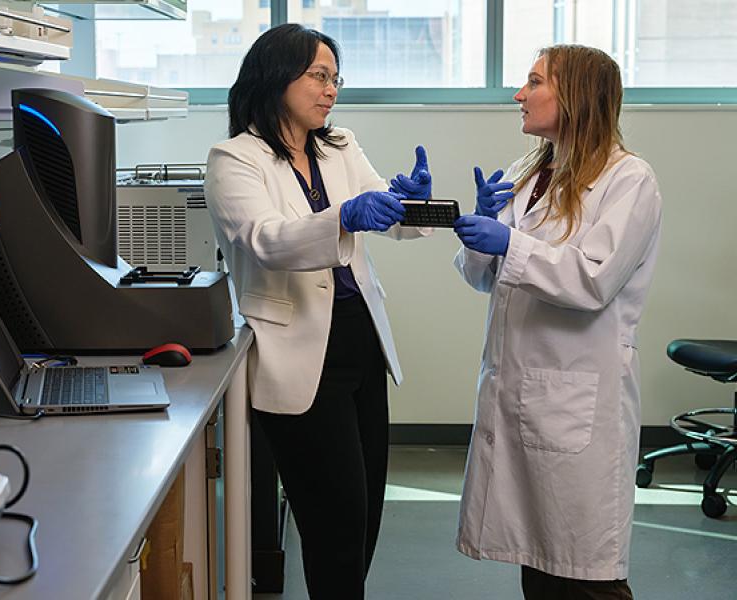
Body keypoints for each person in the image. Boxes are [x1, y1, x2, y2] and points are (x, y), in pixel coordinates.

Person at [204, 24, 431, 600]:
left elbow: (386, 217)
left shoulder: (339, 145)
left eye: (336, 79)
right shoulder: (235, 159)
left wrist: (411, 203)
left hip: (360, 341)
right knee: (334, 515)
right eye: (319, 76)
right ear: (276, 77)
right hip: (300, 353)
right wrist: (346, 217)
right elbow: (266, 240)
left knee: (365, 512)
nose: (331, 90)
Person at [451, 44, 662, 600]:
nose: (519, 95)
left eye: (535, 82)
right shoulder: (534, 173)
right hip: (525, 393)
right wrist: (485, 227)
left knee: (587, 576)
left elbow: (593, 281)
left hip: (577, 402)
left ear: (575, 96)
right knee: (541, 568)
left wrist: (510, 242)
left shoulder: (629, 180)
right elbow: (483, 279)